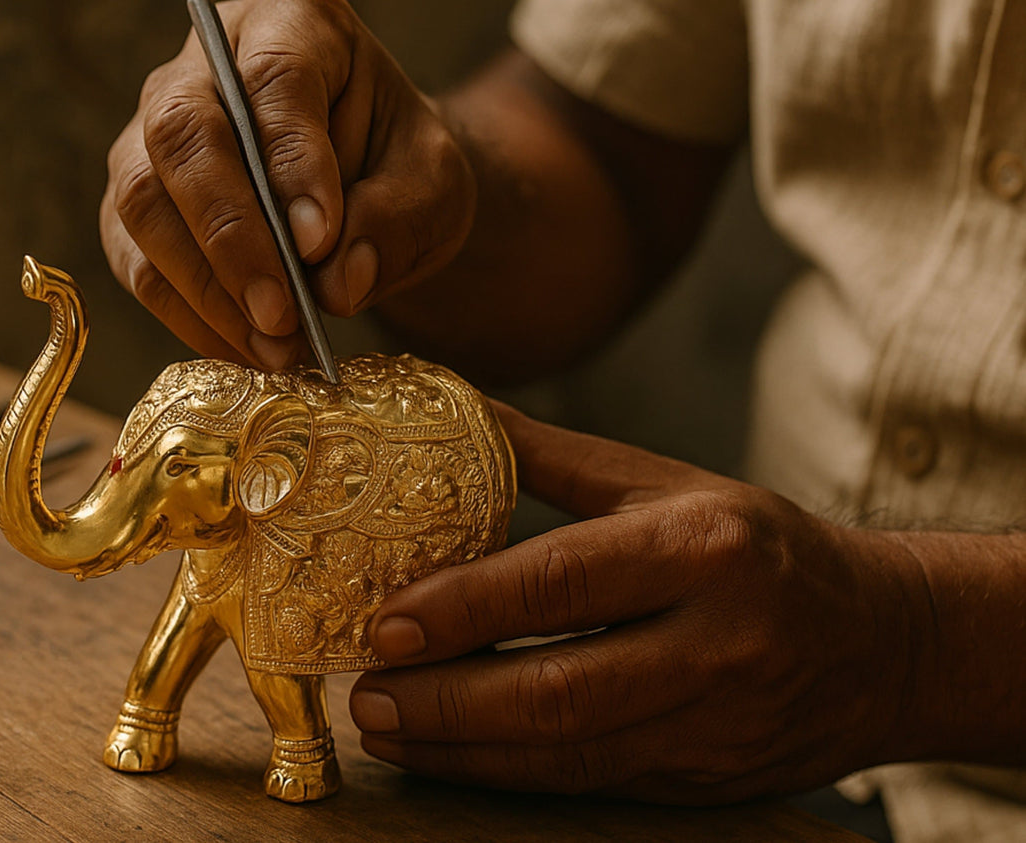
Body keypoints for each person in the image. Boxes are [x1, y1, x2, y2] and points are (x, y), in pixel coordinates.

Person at [98, 1, 1026, 839]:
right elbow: (605, 148)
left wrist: (922, 643)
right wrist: (427, 191)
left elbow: (907, 645)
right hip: (728, 710)